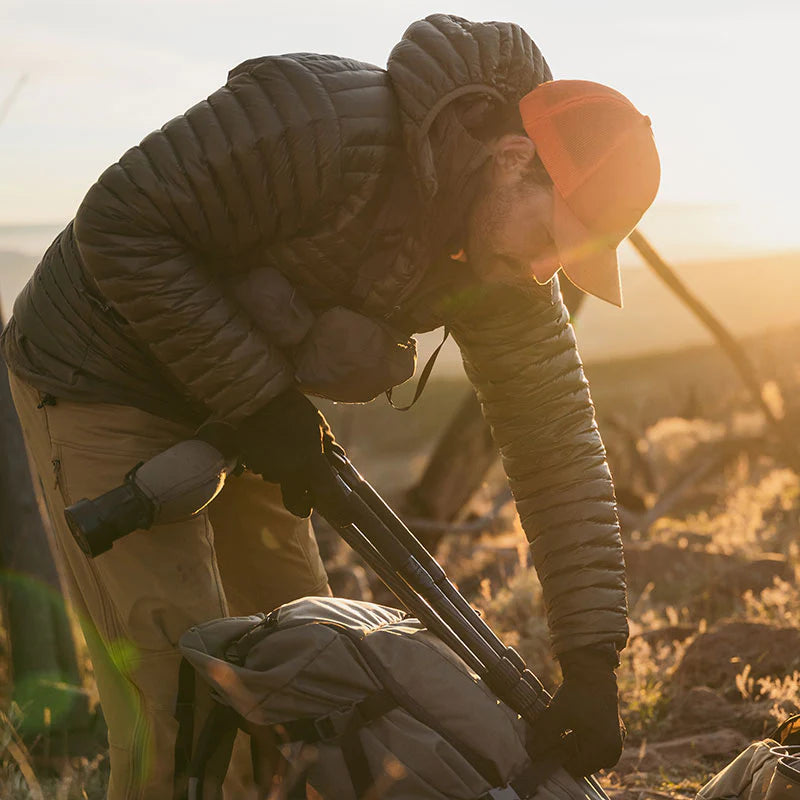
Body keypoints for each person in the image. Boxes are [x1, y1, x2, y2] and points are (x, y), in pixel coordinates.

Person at [1, 13, 659, 799]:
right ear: (514, 159)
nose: (544, 269)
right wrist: (257, 399)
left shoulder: (505, 263)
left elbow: (557, 446)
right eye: (552, 237)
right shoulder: (317, 119)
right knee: (177, 707)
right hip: (102, 367)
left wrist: (592, 660)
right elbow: (120, 225)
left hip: (252, 403)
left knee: (307, 679)